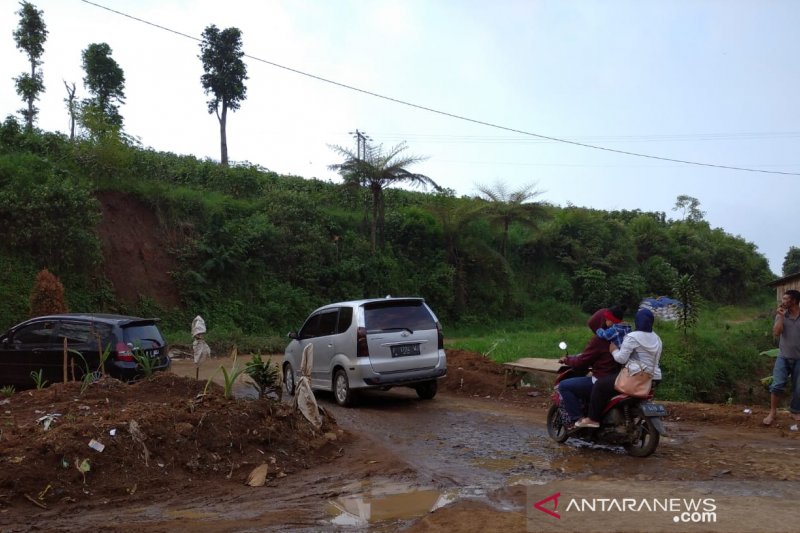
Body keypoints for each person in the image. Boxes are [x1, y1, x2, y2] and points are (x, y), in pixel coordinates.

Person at [575, 308, 662, 428]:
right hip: (655, 377)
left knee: (600, 385)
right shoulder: (657, 338)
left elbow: (621, 359)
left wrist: (614, 350)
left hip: (636, 377)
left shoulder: (632, 336)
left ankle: (592, 419)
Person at [556, 306, 626, 428]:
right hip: (620, 379)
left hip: (601, 380)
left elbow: (582, 361)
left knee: (564, 386)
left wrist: (567, 360)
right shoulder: (622, 335)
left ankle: (577, 420)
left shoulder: (599, 340)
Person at [762, 289, 800, 426]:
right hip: (783, 356)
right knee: (777, 385)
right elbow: (777, 333)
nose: (782, 301)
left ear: (794, 301)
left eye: (785, 299)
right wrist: (781, 317)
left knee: (798, 388)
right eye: (782, 299)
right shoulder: (781, 314)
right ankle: (772, 413)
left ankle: (795, 411)